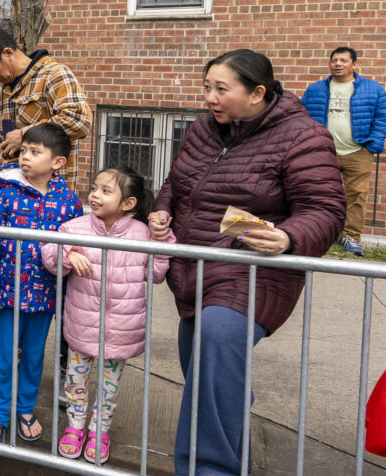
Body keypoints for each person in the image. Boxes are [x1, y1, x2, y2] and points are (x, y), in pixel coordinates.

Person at [153, 49, 345, 476]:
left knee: (217, 342)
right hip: (195, 269)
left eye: (221, 89)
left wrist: (289, 237)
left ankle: (208, 470)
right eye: (207, 87)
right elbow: (176, 183)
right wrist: (161, 209)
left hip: (254, 270)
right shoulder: (203, 128)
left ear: (258, 93)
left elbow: (327, 210)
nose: (209, 98)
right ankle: (229, 428)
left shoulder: (303, 136)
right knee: (208, 375)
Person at [41, 166, 174, 464]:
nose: (95, 195)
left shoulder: (143, 234)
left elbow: (156, 273)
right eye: (95, 188)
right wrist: (69, 253)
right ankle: (75, 427)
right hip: (81, 325)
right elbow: (50, 257)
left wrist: (161, 241)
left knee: (108, 388)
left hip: (122, 329)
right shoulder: (74, 228)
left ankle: (100, 429)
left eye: (105, 190)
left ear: (128, 203)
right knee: (75, 381)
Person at [0, 123, 83, 445]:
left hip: (45, 296)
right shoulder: (5, 192)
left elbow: (74, 247)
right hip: (8, 293)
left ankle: (24, 407)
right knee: (5, 356)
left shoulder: (69, 201)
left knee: (34, 357)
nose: (25, 157)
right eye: (24, 150)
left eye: (35, 152)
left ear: (58, 162)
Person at [0, 26, 92, 190]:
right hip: (9, 191)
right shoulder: (1, 89)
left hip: (49, 196)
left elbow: (79, 121)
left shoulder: (54, 74)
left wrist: (25, 136)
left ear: (8, 53)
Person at [300, 46, 386, 256]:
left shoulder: (373, 89)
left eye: (343, 60)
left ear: (354, 65)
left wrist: (372, 144)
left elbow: (382, 119)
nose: (337, 64)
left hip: (357, 151)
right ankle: (318, 234)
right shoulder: (315, 89)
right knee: (316, 194)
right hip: (323, 152)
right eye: (334, 60)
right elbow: (302, 117)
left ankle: (350, 236)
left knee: (356, 196)